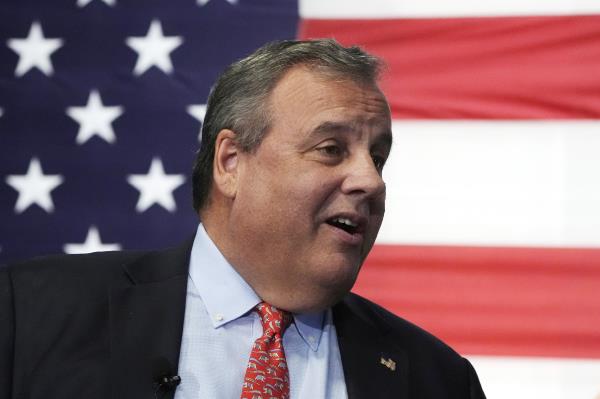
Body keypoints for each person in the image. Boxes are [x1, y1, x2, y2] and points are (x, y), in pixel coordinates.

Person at [0, 39, 486, 399]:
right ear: (231, 162)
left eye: (377, 158)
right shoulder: (26, 316)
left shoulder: (437, 380)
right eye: (331, 149)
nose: (370, 181)